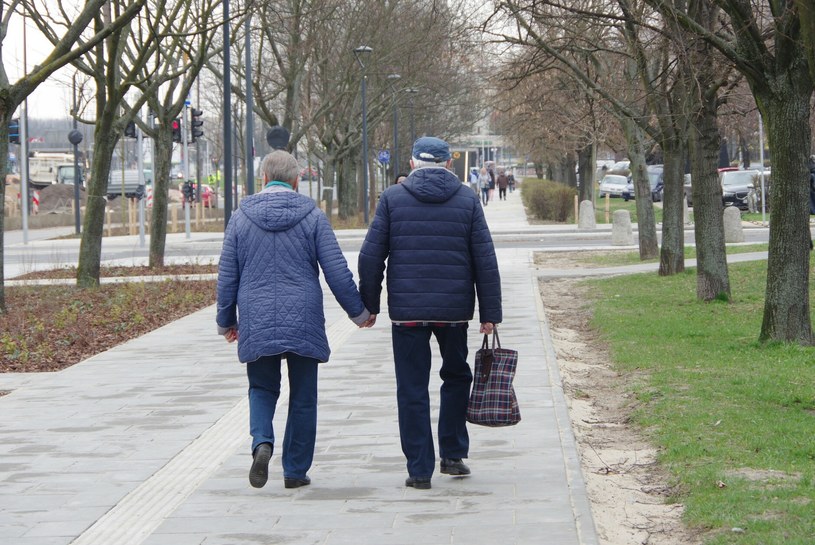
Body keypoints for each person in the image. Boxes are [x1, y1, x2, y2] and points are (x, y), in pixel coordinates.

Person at [216, 150, 373, 490]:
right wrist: (359, 313)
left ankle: (262, 441)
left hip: (256, 315)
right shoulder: (313, 216)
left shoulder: (240, 218)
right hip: (303, 316)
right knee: (303, 395)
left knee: (261, 387)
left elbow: (227, 275)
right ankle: (295, 470)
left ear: (263, 178)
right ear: (297, 180)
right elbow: (336, 270)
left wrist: (226, 321)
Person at [358, 136, 503, 490]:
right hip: (453, 311)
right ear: (449, 164)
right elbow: (485, 259)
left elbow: (371, 256)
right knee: (456, 377)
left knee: (411, 387)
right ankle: (452, 454)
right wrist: (490, 312)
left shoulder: (392, 199)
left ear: (411, 164)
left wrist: (369, 305)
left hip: (407, 313)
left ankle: (419, 469)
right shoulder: (467, 199)